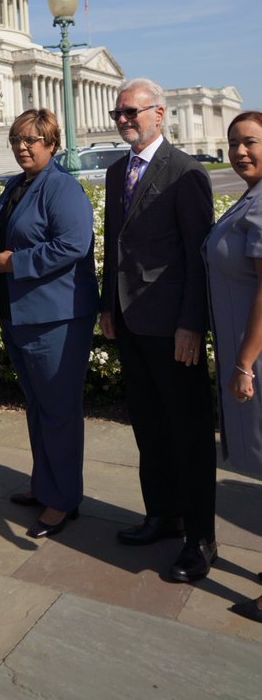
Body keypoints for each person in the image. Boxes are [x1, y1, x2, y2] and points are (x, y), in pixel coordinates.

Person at [101, 77, 217, 582]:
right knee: (148, 427)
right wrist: (109, 306)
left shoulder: (184, 172)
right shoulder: (115, 173)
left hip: (173, 327)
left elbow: (197, 255)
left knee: (188, 433)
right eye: (119, 113)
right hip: (131, 322)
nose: (125, 119)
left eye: (133, 112)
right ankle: (161, 515)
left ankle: (200, 537)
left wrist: (192, 322)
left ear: (159, 113)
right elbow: (115, 247)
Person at [0, 109, 98, 538]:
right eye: (18, 139)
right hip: (21, 314)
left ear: (52, 145)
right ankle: (46, 485)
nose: (23, 147)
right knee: (39, 408)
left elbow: (73, 244)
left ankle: (63, 500)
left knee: (58, 411)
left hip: (56, 318)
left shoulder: (62, 187)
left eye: (33, 140)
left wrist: (18, 263)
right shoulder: (17, 185)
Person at [203, 111, 262, 622]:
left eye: (251, 143)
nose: (241, 152)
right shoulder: (250, 196)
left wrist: (244, 363)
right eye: (234, 143)